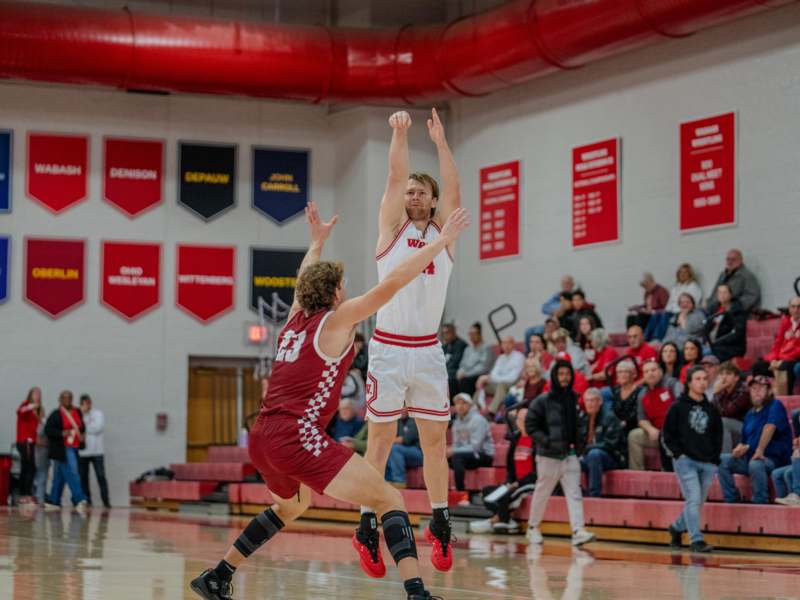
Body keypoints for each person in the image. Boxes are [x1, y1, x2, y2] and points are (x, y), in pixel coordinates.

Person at [190, 201, 469, 600]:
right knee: (389, 496)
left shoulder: (293, 321)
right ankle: (416, 593)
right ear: (336, 292)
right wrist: (441, 242)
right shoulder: (336, 320)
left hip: (262, 435)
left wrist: (316, 242)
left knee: (290, 507)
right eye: (342, 286)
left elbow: (302, 281)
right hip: (294, 435)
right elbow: (393, 283)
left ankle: (219, 574)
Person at [355, 109, 463, 577]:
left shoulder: (445, 234)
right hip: (388, 347)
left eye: (423, 191)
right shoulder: (391, 229)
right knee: (379, 443)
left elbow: (455, 188)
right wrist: (400, 134)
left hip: (427, 349)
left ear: (434, 200)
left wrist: (440, 143)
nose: (414, 194)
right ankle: (366, 527)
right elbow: (396, 174)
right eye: (410, 191)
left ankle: (440, 521)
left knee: (434, 441)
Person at [524, 359, 596, 547]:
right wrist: (547, 441)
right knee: (542, 493)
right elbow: (530, 425)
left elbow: (579, 424)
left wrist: (579, 446)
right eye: (561, 374)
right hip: (548, 456)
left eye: (567, 374)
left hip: (570, 454)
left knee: (574, 492)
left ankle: (578, 530)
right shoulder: (543, 400)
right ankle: (533, 528)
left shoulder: (574, 398)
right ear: (555, 376)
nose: (564, 378)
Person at [663, 366, 723, 553]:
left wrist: (714, 459)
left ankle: (676, 527)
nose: (702, 382)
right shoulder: (677, 407)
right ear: (689, 383)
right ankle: (696, 539)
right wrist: (678, 454)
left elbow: (717, 434)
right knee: (694, 498)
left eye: (705, 378)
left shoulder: (712, 408)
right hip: (685, 460)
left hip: (707, 462)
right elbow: (667, 434)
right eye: (697, 379)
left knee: (697, 503)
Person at [718, 362, 792, 505]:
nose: (756, 391)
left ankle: (760, 501)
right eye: (753, 388)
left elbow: (770, 427)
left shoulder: (775, 405)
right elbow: (745, 441)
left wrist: (759, 450)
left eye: (761, 388)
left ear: (769, 391)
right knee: (722, 460)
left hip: (774, 460)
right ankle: (732, 498)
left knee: (755, 463)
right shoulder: (749, 414)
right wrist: (740, 449)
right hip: (753, 458)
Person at [469, 408, 535, 535]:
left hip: (530, 483)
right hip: (515, 482)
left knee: (505, 495)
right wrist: (510, 482)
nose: (524, 422)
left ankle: (495, 520)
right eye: (521, 419)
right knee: (487, 493)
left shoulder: (536, 440)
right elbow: (511, 467)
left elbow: (538, 470)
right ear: (517, 422)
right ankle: (506, 520)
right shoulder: (515, 440)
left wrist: (518, 483)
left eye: (527, 419)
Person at [628, 360, 680, 471]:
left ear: (661, 372)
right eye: (646, 371)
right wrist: (650, 429)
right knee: (634, 436)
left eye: (653, 370)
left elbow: (683, 409)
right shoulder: (642, 394)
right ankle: (638, 474)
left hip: (675, 432)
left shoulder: (672, 384)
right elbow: (641, 419)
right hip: (656, 433)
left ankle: (668, 471)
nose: (650, 373)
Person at [44, 390, 88, 513]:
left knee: (60, 475)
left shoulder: (77, 411)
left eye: (69, 397)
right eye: (64, 397)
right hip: (62, 448)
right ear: (60, 399)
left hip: (74, 446)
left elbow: (82, 426)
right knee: (73, 471)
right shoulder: (56, 414)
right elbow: (48, 430)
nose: (67, 400)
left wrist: (83, 434)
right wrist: (62, 433)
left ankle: (54, 500)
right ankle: (79, 498)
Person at [579, 388, 624, 497]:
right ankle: (576, 493)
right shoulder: (583, 418)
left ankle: (594, 495)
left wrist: (587, 449)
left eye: (593, 400)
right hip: (588, 456)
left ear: (600, 402)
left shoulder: (609, 417)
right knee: (568, 459)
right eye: (587, 401)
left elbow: (610, 445)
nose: (590, 404)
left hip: (611, 457)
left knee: (594, 454)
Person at [449, 393, 495, 491]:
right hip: (467, 455)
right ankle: (441, 493)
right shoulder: (456, 422)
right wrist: (451, 451)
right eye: (457, 403)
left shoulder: (478, 420)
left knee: (457, 457)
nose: (460, 406)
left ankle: (460, 492)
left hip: (484, 455)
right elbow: (456, 443)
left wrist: (454, 450)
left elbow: (476, 447)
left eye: (464, 403)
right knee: (440, 458)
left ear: (470, 405)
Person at [648, 264, 704, 342]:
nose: (682, 274)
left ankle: (657, 339)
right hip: (671, 311)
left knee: (665, 315)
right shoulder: (676, 287)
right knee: (656, 315)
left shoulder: (694, 287)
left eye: (685, 272)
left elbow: (693, 304)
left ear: (690, 274)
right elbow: (669, 303)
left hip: (682, 312)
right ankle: (646, 338)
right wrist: (666, 310)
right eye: (680, 272)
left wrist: (674, 311)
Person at [475, 335, 525, 416]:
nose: (506, 345)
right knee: (482, 385)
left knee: (501, 385)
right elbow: (493, 374)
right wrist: (489, 378)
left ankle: (491, 412)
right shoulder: (501, 357)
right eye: (504, 343)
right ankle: (471, 408)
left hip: (512, 385)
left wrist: (491, 378)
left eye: (508, 343)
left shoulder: (519, 357)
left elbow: (512, 378)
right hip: (499, 385)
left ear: (513, 344)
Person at [78, 394, 110, 509]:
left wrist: (84, 430)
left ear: (91, 403)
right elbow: (76, 428)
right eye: (84, 403)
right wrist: (81, 416)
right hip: (83, 452)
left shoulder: (98, 413)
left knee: (101, 476)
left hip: (97, 451)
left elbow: (98, 427)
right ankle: (87, 500)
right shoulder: (78, 415)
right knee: (83, 477)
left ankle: (106, 501)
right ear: (81, 404)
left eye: (88, 402)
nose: (86, 405)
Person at [706, 249, 761, 314]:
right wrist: (708, 304)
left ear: (740, 260)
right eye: (728, 259)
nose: (730, 262)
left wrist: (735, 306)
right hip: (717, 310)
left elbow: (752, 295)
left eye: (733, 259)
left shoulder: (747, 276)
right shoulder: (723, 275)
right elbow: (715, 292)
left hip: (735, 314)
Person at [712, 362, 751, 453]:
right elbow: (710, 411)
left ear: (736, 378)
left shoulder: (744, 391)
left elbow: (728, 413)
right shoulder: (722, 391)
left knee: (723, 422)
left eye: (728, 374)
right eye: (721, 374)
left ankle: (725, 459)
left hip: (745, 429)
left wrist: (715, 393)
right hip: (730, 427)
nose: (724, 377)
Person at [765, 296, 800, 395]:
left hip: (794, 358)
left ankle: (786, 399)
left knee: (786, 366)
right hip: (781, 358)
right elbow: (777, 343)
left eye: (799, 307)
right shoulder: (785, 322)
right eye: (793, 307)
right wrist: (773, 359)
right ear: (789, 308)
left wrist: (782, 360)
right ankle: (765, 399)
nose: (796, 310)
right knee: (759, 366)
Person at [703, 284, 747, 362]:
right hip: (712, 344)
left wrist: (715, 343)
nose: (722, 295)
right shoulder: (714, 309)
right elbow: (706, 328)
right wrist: (706, 340)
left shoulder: (737, 311)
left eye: (725, 292)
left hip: (730, 346)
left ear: (730, 295)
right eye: (719, 293)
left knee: (704, 354)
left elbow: (737, 333)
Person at [16, 387, 42, 504]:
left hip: (31, 442)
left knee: (29, 467)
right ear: (30, 395)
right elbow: (20, 412)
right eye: (35, 393)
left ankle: (26, 493)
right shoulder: (26, 405)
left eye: (39, 394)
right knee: (28, 467)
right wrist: (31, 406)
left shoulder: (38, 410)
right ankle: (24, 494)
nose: (37, 396)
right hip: (24, 440)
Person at [385, 410, 422, 487]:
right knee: (386, 450)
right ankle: (388, 479)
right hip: (404, 453)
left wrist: (390, 441)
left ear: (408, 408)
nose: (400, 410)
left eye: (403, 407)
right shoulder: (398, 421)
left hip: (419, 453)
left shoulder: (414, 420)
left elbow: (405, 439)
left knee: (394, 448)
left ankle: (399, 481)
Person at [456, 322, 494, 396]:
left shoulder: (486, 348)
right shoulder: (468, 349)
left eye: (474, 334)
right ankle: (454, 405)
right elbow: (462, 364)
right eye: (470, 334)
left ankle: (467, 404)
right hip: (466, 375)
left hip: (480, 375)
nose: (471, 336)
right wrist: (460, 372)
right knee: (452, 381)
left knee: (465, 381)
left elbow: (483, 367)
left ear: (479, 334)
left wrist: (466, 374)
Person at [609, 359, 642, 435]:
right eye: (619, 372)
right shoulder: (616, 390)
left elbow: (637, 415)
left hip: (634, 428)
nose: (622, 374)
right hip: (618, 428)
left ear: (633, 374)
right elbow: (613, 411)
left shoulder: (640, 391)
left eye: (626, 371)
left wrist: (622, 423)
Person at [773, 422, 800, 506]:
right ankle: (785, 503)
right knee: (776, 474)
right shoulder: (796, 415)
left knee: (788, 473)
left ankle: (797, 495)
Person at [441, 323, 467, 400]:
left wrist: (442, 370)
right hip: (446, 370)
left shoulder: (460, 344)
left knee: (447, 376)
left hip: (456, 370)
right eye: (443, 334)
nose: (445, 336)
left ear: (453, 332)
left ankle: (450, 402)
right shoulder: (445, 346)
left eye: (447, 333)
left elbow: (455, 362)